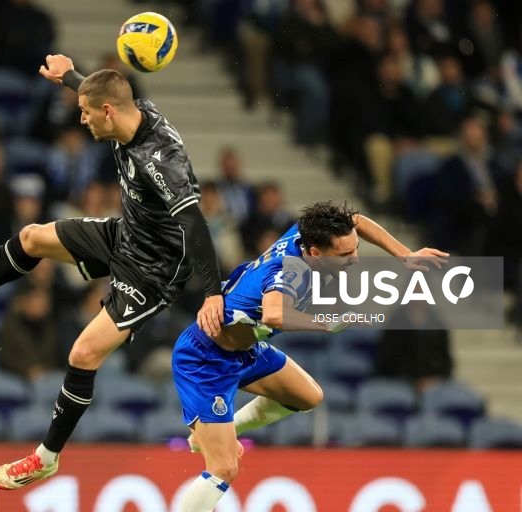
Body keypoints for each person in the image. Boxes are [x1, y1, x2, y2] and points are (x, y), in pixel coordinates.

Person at [0, 54, 224, 489]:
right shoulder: (133, 111)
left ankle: (46, 457)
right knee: (32, 237)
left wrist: (212, 293)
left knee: (82, 355)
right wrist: (71, 77)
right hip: (127, 233)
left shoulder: (159, 160)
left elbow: (195, 223)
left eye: (85, 112)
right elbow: (103, 92)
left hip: (152, 271)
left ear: (108, 113)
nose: (82, 119)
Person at [172, 201, 448, 511]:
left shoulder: (306, 235)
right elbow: (275, 314)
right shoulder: (287, 272)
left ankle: (222, 431)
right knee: (224, 468)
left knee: (307, 396)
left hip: (246, 350)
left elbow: (356, 220)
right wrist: (327, 324)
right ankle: (214, 440)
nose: (354, 260)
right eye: (344, 256)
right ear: (316, 254)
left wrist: (404, 254)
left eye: (354, 250)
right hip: (206, 360)